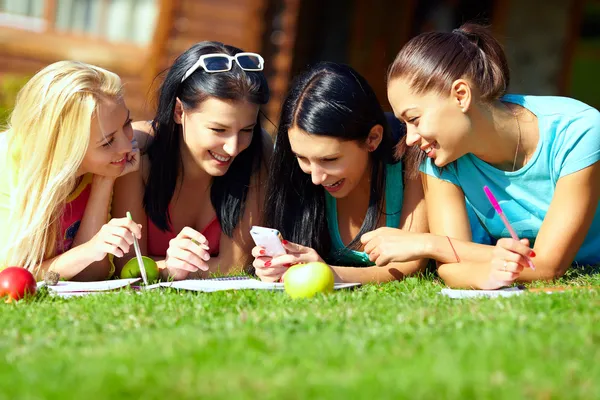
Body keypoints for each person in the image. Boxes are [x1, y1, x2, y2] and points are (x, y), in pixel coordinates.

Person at [363, 23, 600, 289]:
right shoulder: (439, 154)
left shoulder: (578, 130)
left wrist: (426, 243)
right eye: (405, 124)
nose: (410, 138)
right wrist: (487, 276)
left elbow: (547, 265)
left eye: (415, 119)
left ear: (461, 95)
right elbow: (451, 268)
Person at [252, 62, 429, 284]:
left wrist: (328, 273)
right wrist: (278, 265)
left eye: (329, 159)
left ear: (372, 138)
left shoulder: (411, 162)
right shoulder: (295, 174)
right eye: (302, 158)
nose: (316, 178)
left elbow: (411, 266)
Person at [112, 42, 271, 280]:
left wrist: (177, 269)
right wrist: (170, 267)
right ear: (179, 112)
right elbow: (128, 263)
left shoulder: (256, 151)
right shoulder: (139, 152)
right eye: (219, 129)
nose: (234, 147)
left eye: (247, 130)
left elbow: (235, 265)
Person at [0, 61, 141, 281]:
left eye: (127, 123)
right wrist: (88, 251)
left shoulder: (99, 167)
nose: (125, 146)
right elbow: (12, 275)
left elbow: (91, 275)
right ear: (66, 148)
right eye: (107, 142)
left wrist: (105, 180)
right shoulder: (7, 165)